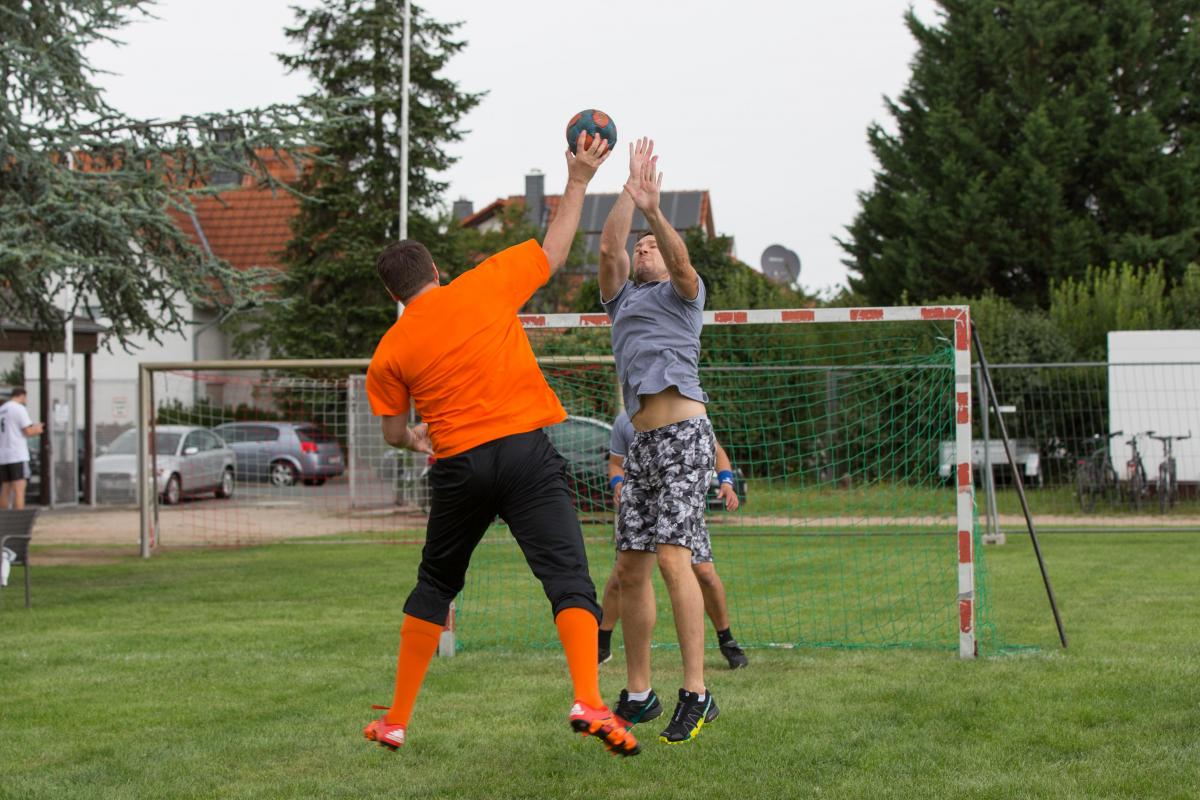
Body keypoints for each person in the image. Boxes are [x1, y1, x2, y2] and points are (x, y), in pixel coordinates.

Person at [361, 133, 640, 757]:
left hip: (457, 466)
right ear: (437, 273)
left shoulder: (389, 351)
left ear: (394, 295)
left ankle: (396, 719)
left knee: (436, 583)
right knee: (567, 577)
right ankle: (588, 699)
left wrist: (415, 438)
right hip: (523, 454)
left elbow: (394, 433)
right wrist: (577, 180)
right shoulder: (483, 284)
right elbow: (555, 249)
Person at [598, 137, 717, 744]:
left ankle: (697, 692)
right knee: (630, 568)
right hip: (641, 444)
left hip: (685, 437)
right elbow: (607, 248)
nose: (643, 248)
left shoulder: (683, 295)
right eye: (640, 245)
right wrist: (628, 190)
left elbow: (683, 260)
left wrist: (654, 211)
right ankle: (640, 694)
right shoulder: (620, 301)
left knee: (675, 558)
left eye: (652, 246)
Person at [598, 411, 749, 670]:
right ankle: (601, 645)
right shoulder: (625, 420)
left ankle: (727, 640)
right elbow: (615, 463)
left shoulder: (683, 412)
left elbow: (717, 452)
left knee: (705, 574)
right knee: (622, 576)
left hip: (681, 504)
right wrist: (618, 483)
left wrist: (726, 482)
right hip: (642, 506)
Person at [0, 388, 45, 510]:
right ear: (23, 396)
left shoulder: (2, 409)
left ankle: (3, 518)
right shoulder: (18, 408)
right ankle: (18, 517)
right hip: (17, 454)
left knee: (5, 488)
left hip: (3, 455)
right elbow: (28, 431)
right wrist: (38, 429)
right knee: (19, 489)